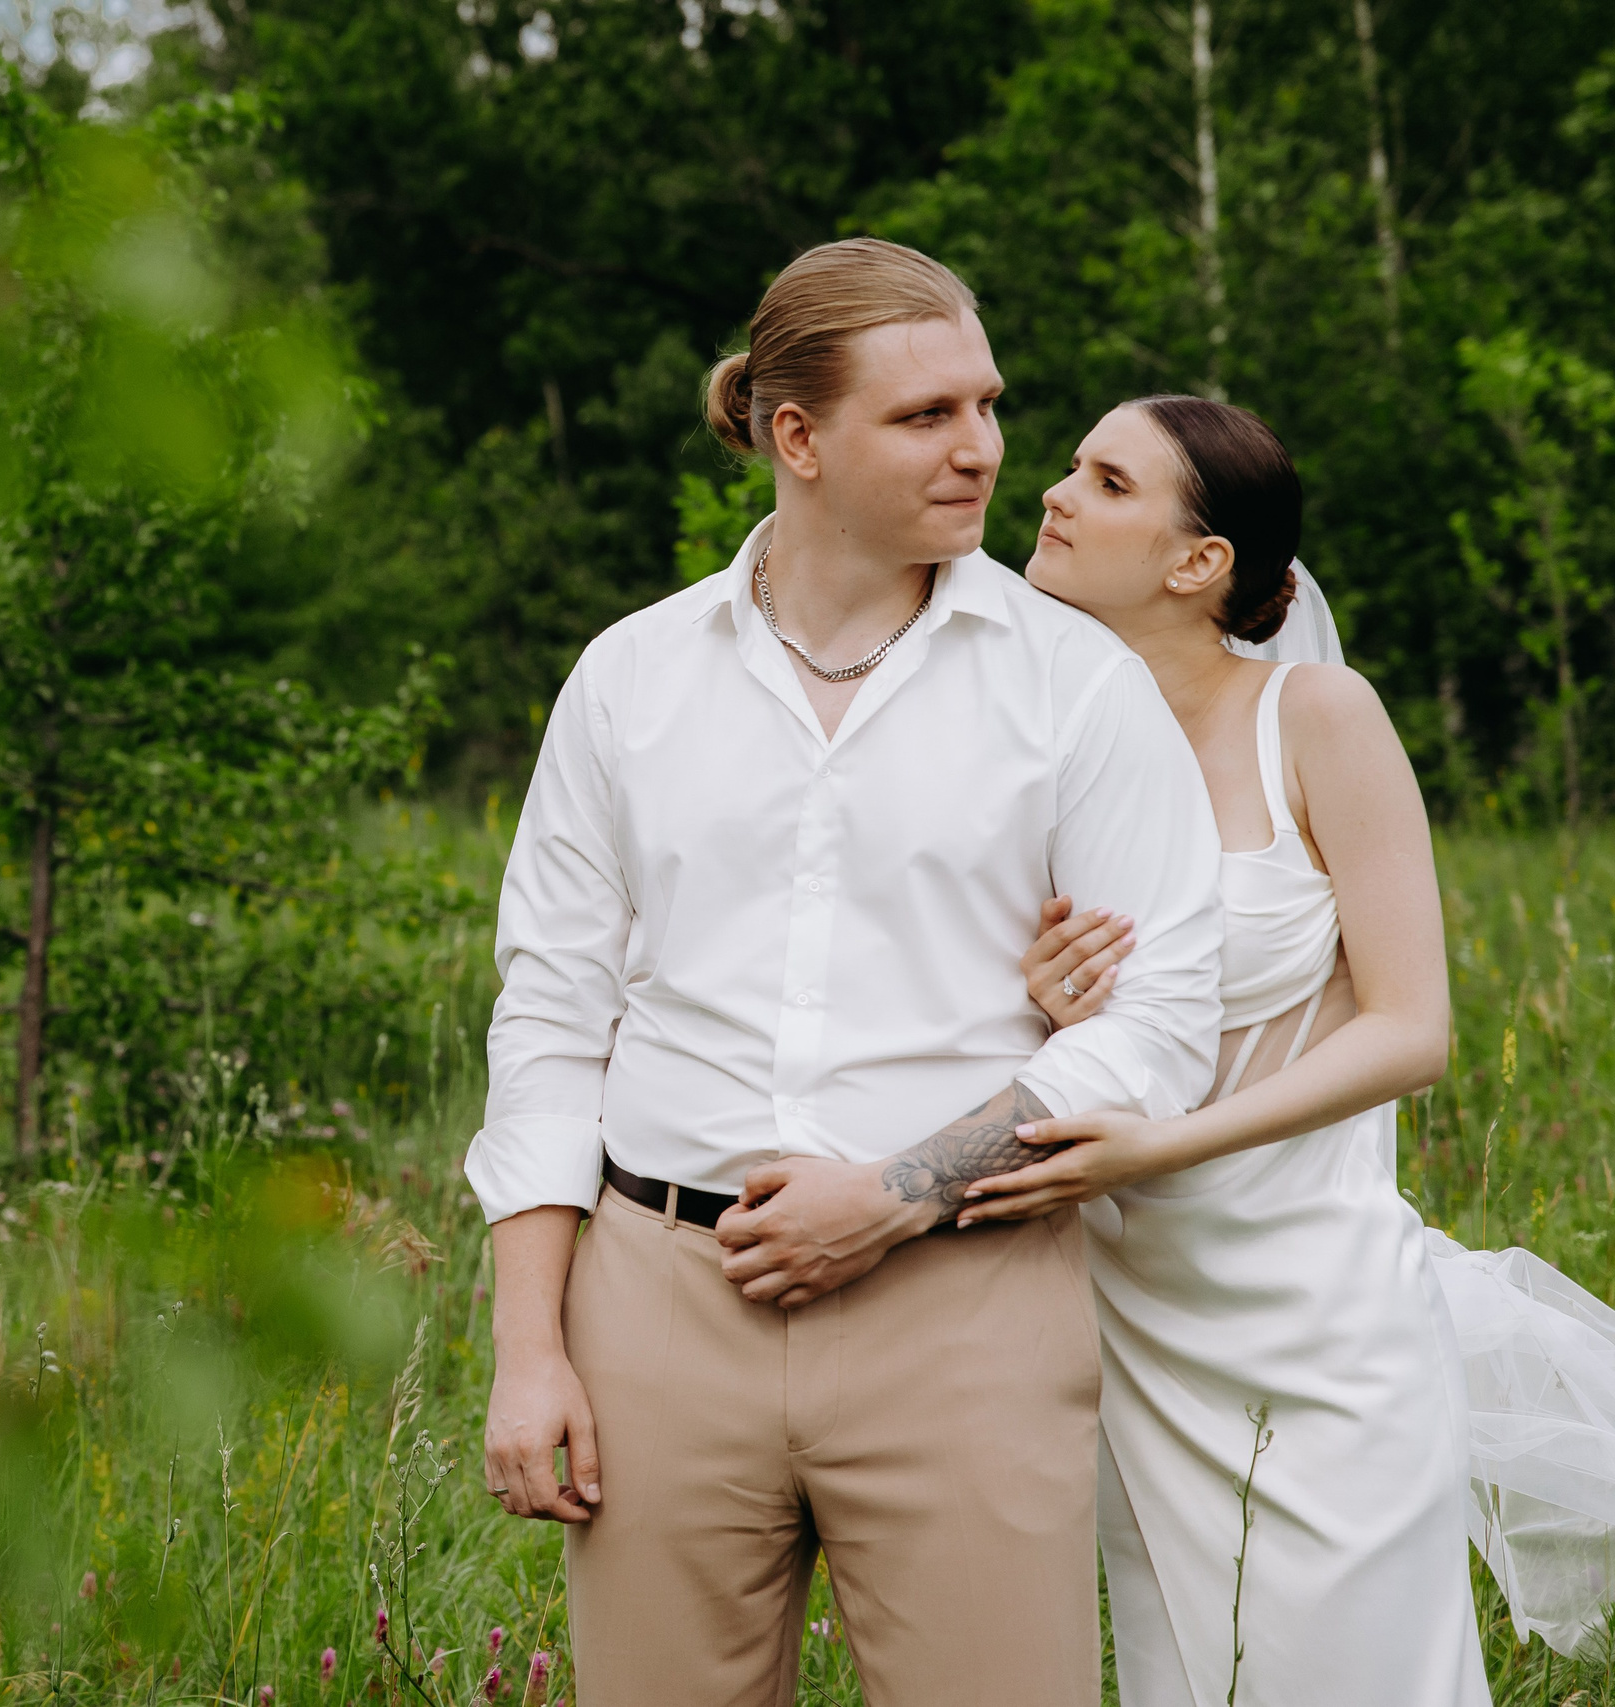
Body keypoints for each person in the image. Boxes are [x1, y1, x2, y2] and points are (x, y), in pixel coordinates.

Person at [464, 238, 1224, 1707]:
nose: (985, 449)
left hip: (969, 1306)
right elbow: (553, 1013)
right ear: (794, 437)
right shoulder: (629, 676)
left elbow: (1159, 1025)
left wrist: (890, 1197)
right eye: (928, 415)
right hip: (661, 1307)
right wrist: (528, 1349)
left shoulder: (1074, 687)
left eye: (989, 406)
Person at [955, 394, 1492, 1704]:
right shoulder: (1053, 746)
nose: (1054, 494)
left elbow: (1413, 1030)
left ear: (1201, 564)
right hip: (1139, 1320)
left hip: (1315, 1325)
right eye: (1069, 468)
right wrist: (1047, 1004)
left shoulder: (1317, 717)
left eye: (1107, 481)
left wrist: (1160, 1145)